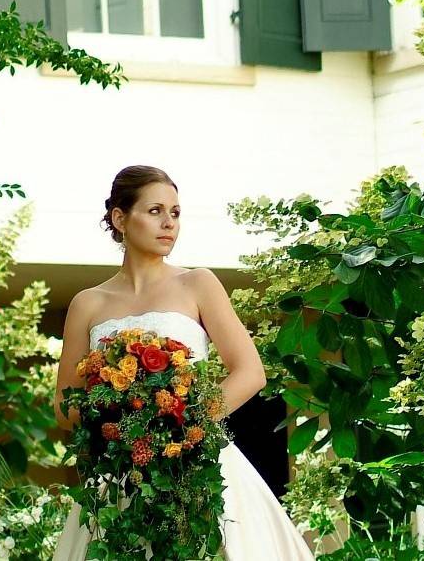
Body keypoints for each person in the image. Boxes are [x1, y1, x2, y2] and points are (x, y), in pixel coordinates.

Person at [52, 165, 314, 560]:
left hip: (198, 461)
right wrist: (119, 425)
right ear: (119, 218)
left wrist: (183, 426)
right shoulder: (88, 303)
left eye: (175, 213)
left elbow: (250, 372)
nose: (169, 223)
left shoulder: (198, 283)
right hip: (125, 470)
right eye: (155, 211)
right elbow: (64, 405)